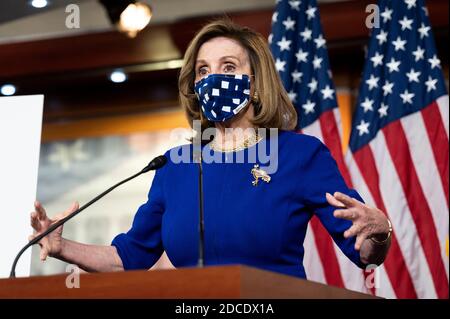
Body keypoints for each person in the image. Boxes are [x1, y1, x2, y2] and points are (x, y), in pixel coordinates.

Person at [29, 19, 391, 279]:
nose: (212, 79)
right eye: (202, 71)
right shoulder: (175, 165)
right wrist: (62, 246)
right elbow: (129, 257)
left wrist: (379, 231)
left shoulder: (300, 154)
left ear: (255, 82)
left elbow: (363, 251)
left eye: (228, 67)